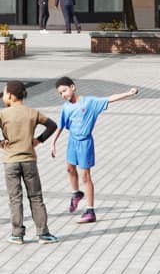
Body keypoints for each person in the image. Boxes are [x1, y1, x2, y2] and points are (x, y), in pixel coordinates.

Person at [53, 76, 139, 225]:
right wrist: (53, 142)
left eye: (65, 91)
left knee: (85, 176)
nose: (63, 95)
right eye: (60, 93)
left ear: (73, 87)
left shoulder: (90, 102)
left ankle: (90, 210)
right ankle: (76, 194)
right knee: (69, 169)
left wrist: (128, 93)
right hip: (72, 142)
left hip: (85, 143)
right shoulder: (66, 107)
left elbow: (110, 99)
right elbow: (61, 125)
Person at [0, 79, 58, 244]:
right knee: (36, 196)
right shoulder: (32, 112)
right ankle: (43, 233)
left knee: (15, 198)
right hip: (29, 160)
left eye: (4, 93)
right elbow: (52, 125)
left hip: (10, 162)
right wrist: (38, 140)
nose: (3, 96)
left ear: (10, 95)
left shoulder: (2, 114)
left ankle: (17, 234)